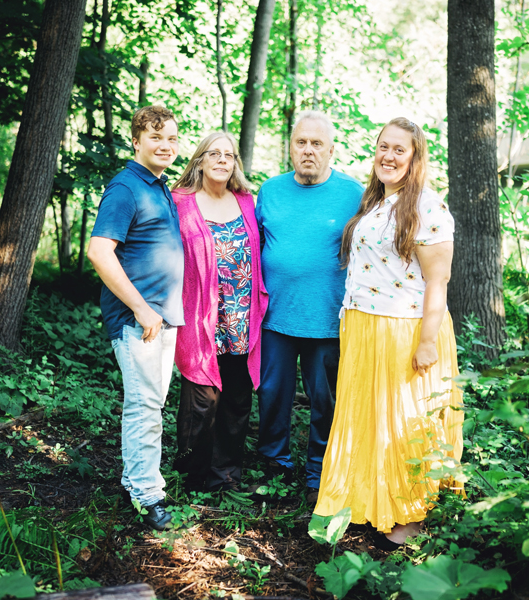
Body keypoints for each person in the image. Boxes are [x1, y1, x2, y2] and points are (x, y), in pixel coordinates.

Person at [313, 117, 463, 549]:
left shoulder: (428, 207)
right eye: (384, 147)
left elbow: (438, 280)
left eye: (400, 149)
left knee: (403, 420)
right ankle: (367, 499)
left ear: (415, 158)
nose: (389, 156)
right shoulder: (377, 202)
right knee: (367, 419)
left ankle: (408, 515)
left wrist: (428, 342)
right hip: (364, 326)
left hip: (405, 328)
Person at [254, 111, 364, 502]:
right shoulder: (270, 190)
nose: (308, 150)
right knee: (271, 395)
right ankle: (275, 465)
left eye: (317, 144)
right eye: (301, 142)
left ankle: (320, 469)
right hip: (275, 318)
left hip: (327, 320)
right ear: (291, 147)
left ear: (331, 150)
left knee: (326, 400)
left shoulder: (354, 194)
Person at [86, 105, 183, 531]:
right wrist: (141, 308)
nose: (165, 145)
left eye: (171, 138)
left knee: (148, 405)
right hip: (138, 319)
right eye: (156, 137)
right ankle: (148, 496)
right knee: (146, 407)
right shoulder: (126, 188)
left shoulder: (158, 186)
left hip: (161, 317)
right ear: (136, 141)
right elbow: (99, 251)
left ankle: (134, 482)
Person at [171, 132, 268, 493]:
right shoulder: (180, 202)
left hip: (242, 318)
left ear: (235, 164)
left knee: (237, 400)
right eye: (214, 153)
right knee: (201, 401)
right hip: (201, 318)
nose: (222, 160)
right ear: (200, 160)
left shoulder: (245, 201)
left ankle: (226, 477)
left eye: (229, 155)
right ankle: (192, 478)